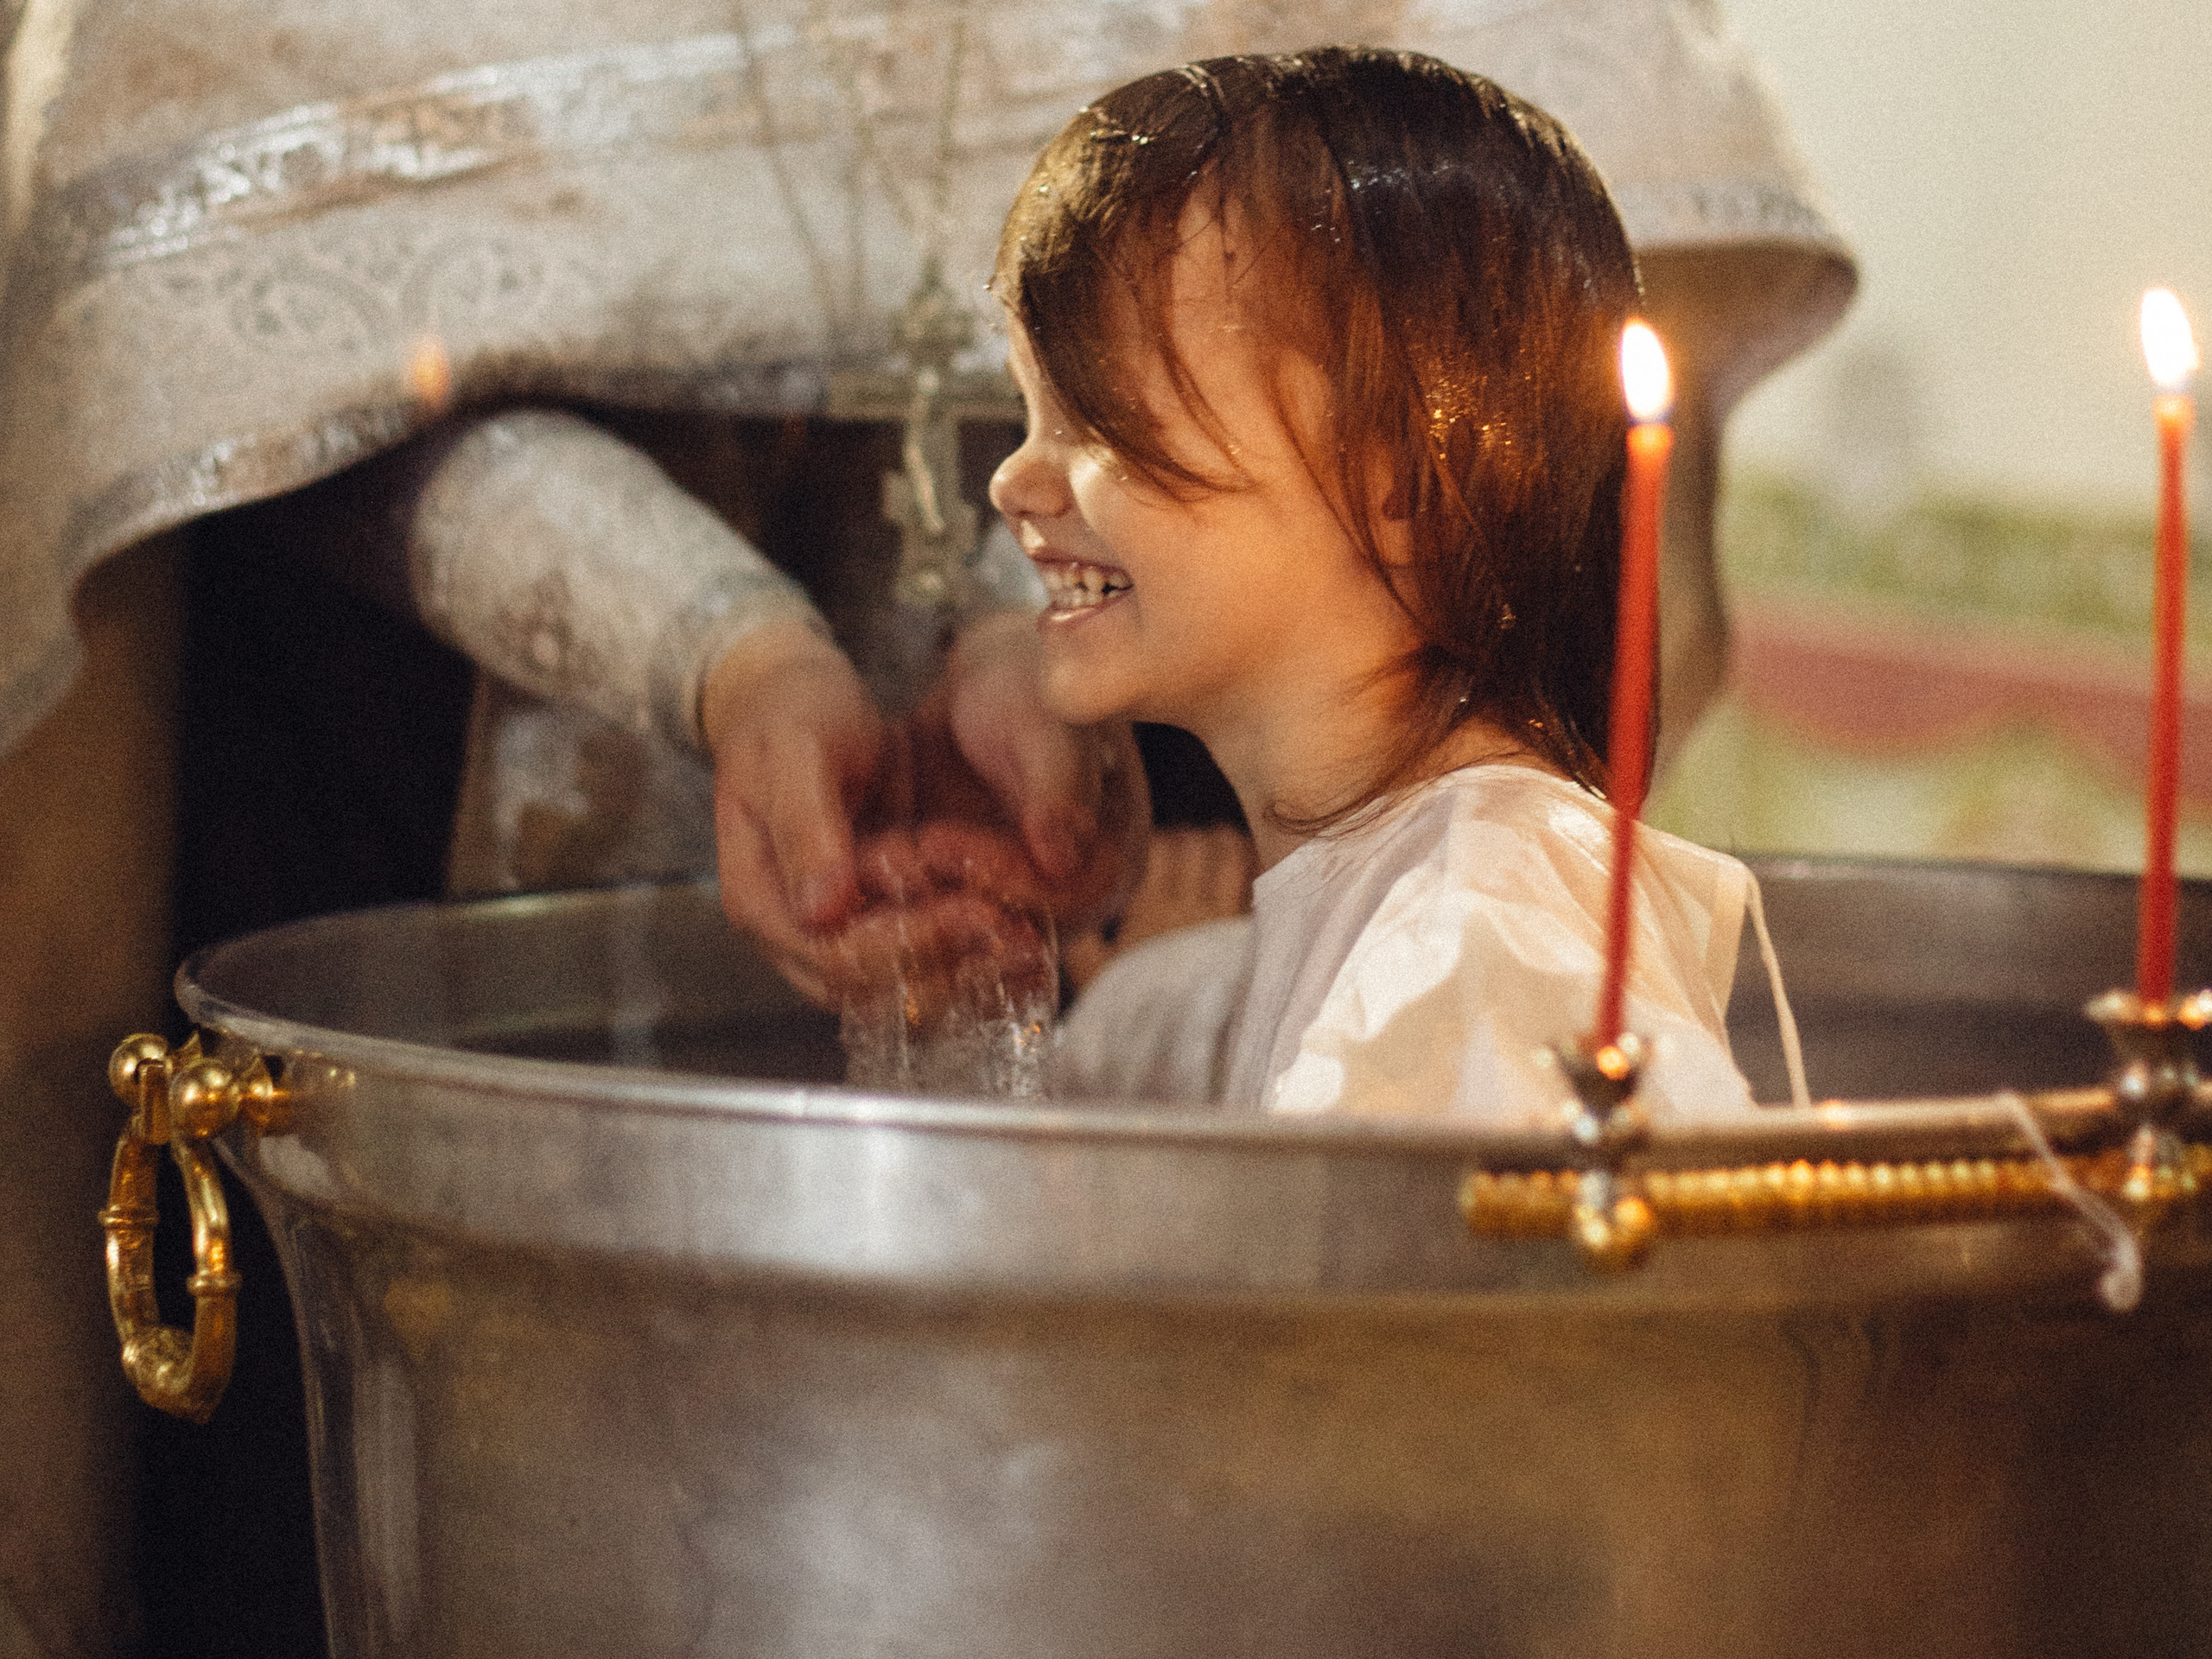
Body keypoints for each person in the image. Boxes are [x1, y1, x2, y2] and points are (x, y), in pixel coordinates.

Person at [995, 48, 1758, 1120]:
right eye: (1032, 413)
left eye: (1099, 418)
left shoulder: (1481, 948)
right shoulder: (1408, 909)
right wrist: (1146, 1004)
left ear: (1399, 478)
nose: (1013, 480)